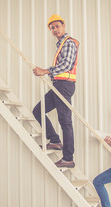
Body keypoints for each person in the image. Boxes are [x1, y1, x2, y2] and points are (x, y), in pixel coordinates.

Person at [32, 14, 79, 168]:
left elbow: (66, 65)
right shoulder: (60, 44)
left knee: (65, 121)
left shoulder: (68, 43)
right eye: (52, 28)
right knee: (38, 110)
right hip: (58, 84)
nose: (55, 29)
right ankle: (55, 140)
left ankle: (68, 158)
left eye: (57, 26)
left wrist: (45, 71)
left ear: (63, 26)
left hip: (64, 85)